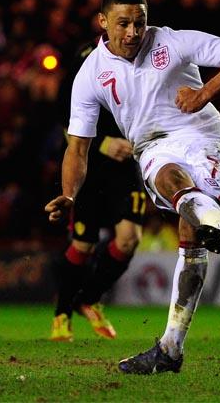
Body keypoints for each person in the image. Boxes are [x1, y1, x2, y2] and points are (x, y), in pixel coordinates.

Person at [44, 0, 220, 374]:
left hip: (207, 138)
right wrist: (69, 195)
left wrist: (203, 94)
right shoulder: (90, 74)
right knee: (170, 181)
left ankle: (171, 345)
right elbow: (77, 147)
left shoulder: (173, 41)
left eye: (139, 23)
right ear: (103, 22)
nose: (132, 33)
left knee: (191, 229)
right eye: (123, 23)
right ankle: (218, 230)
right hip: (155, 148)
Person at [49, 41, 148, 342]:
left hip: (125, 169)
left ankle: (88, 298)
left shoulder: (141, 64)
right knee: (83, 245)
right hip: (89, 168)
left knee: (129, 239)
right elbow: (67, 124)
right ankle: (62, 314)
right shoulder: (82, 67)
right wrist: (104, 143)